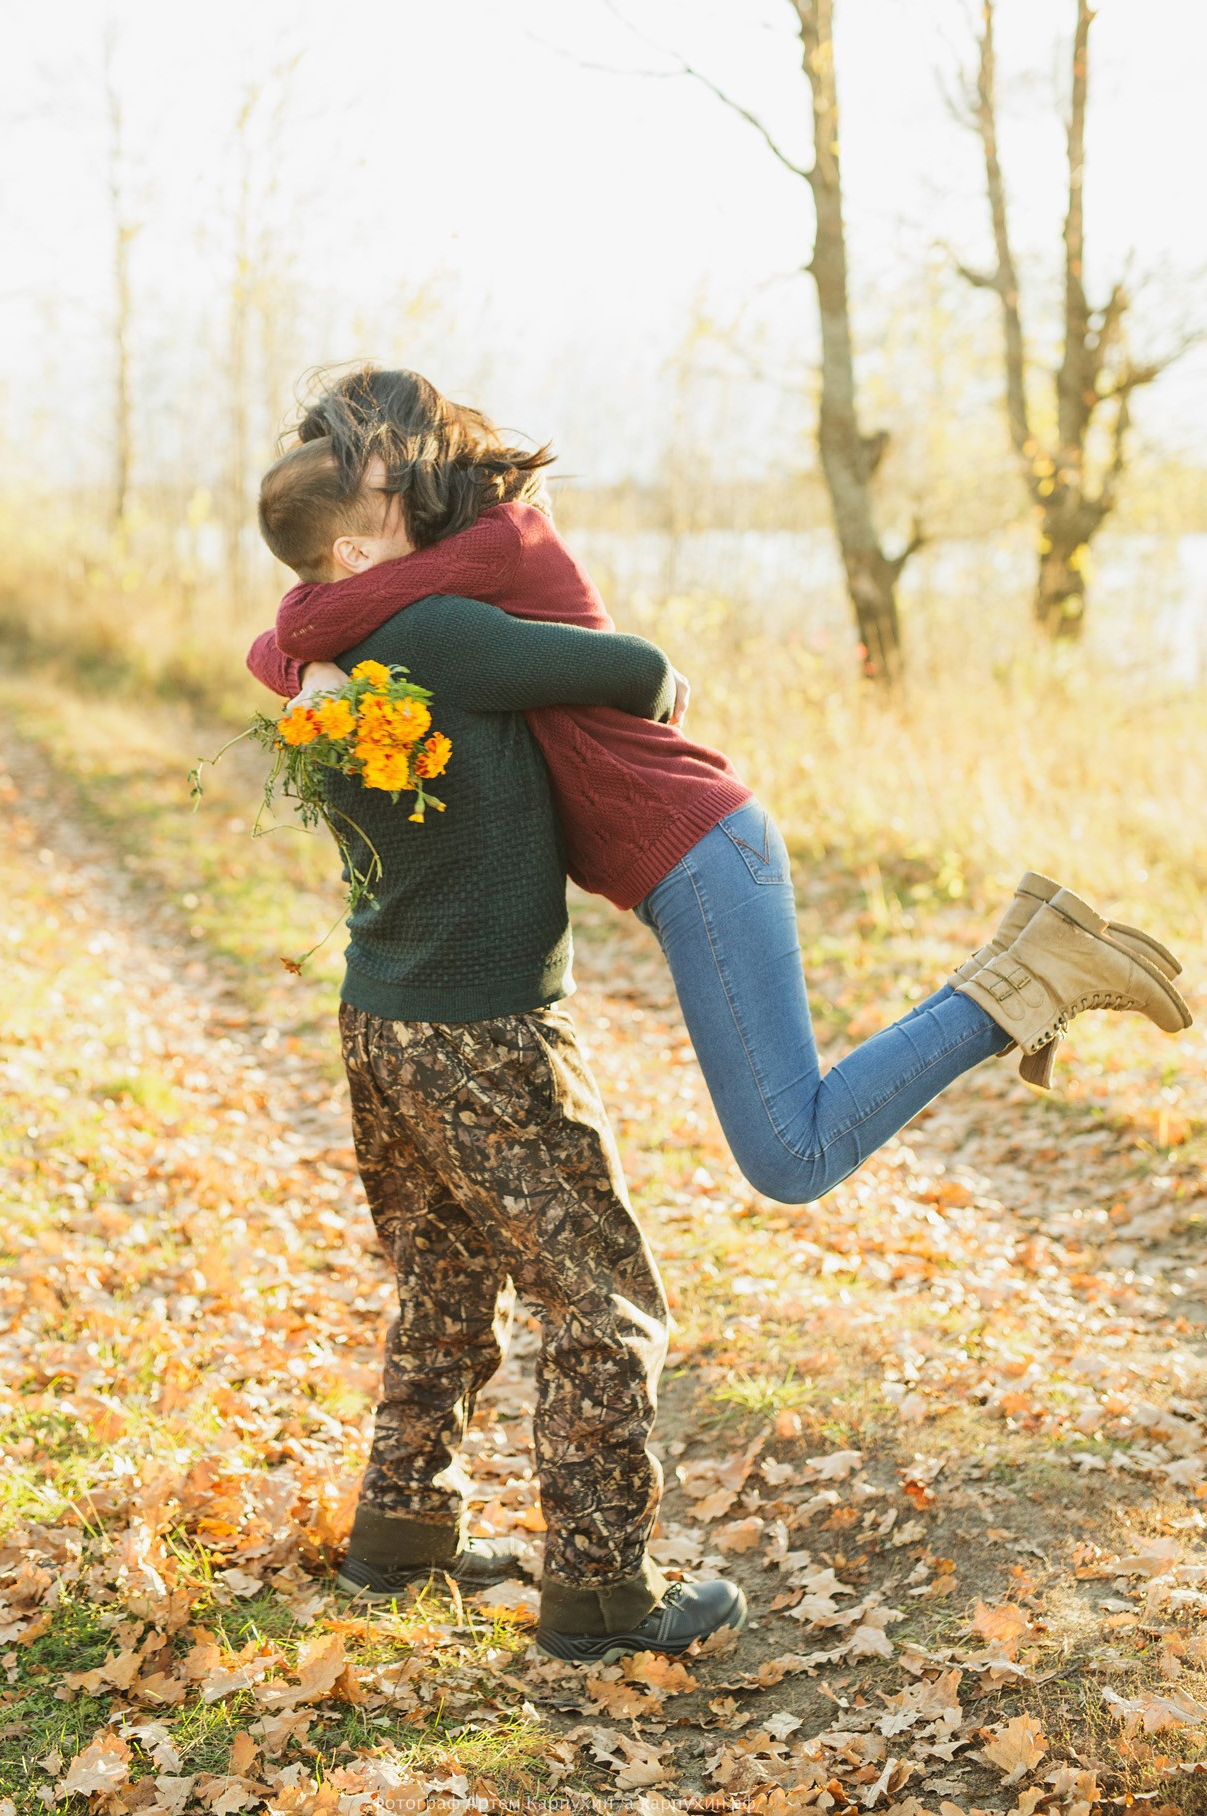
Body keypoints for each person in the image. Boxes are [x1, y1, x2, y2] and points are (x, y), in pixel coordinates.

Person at [249, 365, 1192, 1211]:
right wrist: (307, 669)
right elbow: (305, 631)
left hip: (701, 847)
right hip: (689, 855)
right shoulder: (438, 581)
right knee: (790, 1143)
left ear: (414, 471)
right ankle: (1037, 948)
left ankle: (1021, 982)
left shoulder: (491, 548)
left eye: (368, 473)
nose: (359, 487)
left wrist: (305, 664)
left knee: (791, 1153)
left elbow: (310, 619)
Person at [249, 450, 747, 1661]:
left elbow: (284, 640)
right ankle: (600, 1594)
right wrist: (657, 685)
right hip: (488, 1027)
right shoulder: (436, 630)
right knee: (601, 1298)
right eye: (390, 504)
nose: (421, 512)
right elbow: (632, 671)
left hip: (382, 1019)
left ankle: (401, 1533)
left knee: (447, 1276)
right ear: (357, 552)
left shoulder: (320, 656)